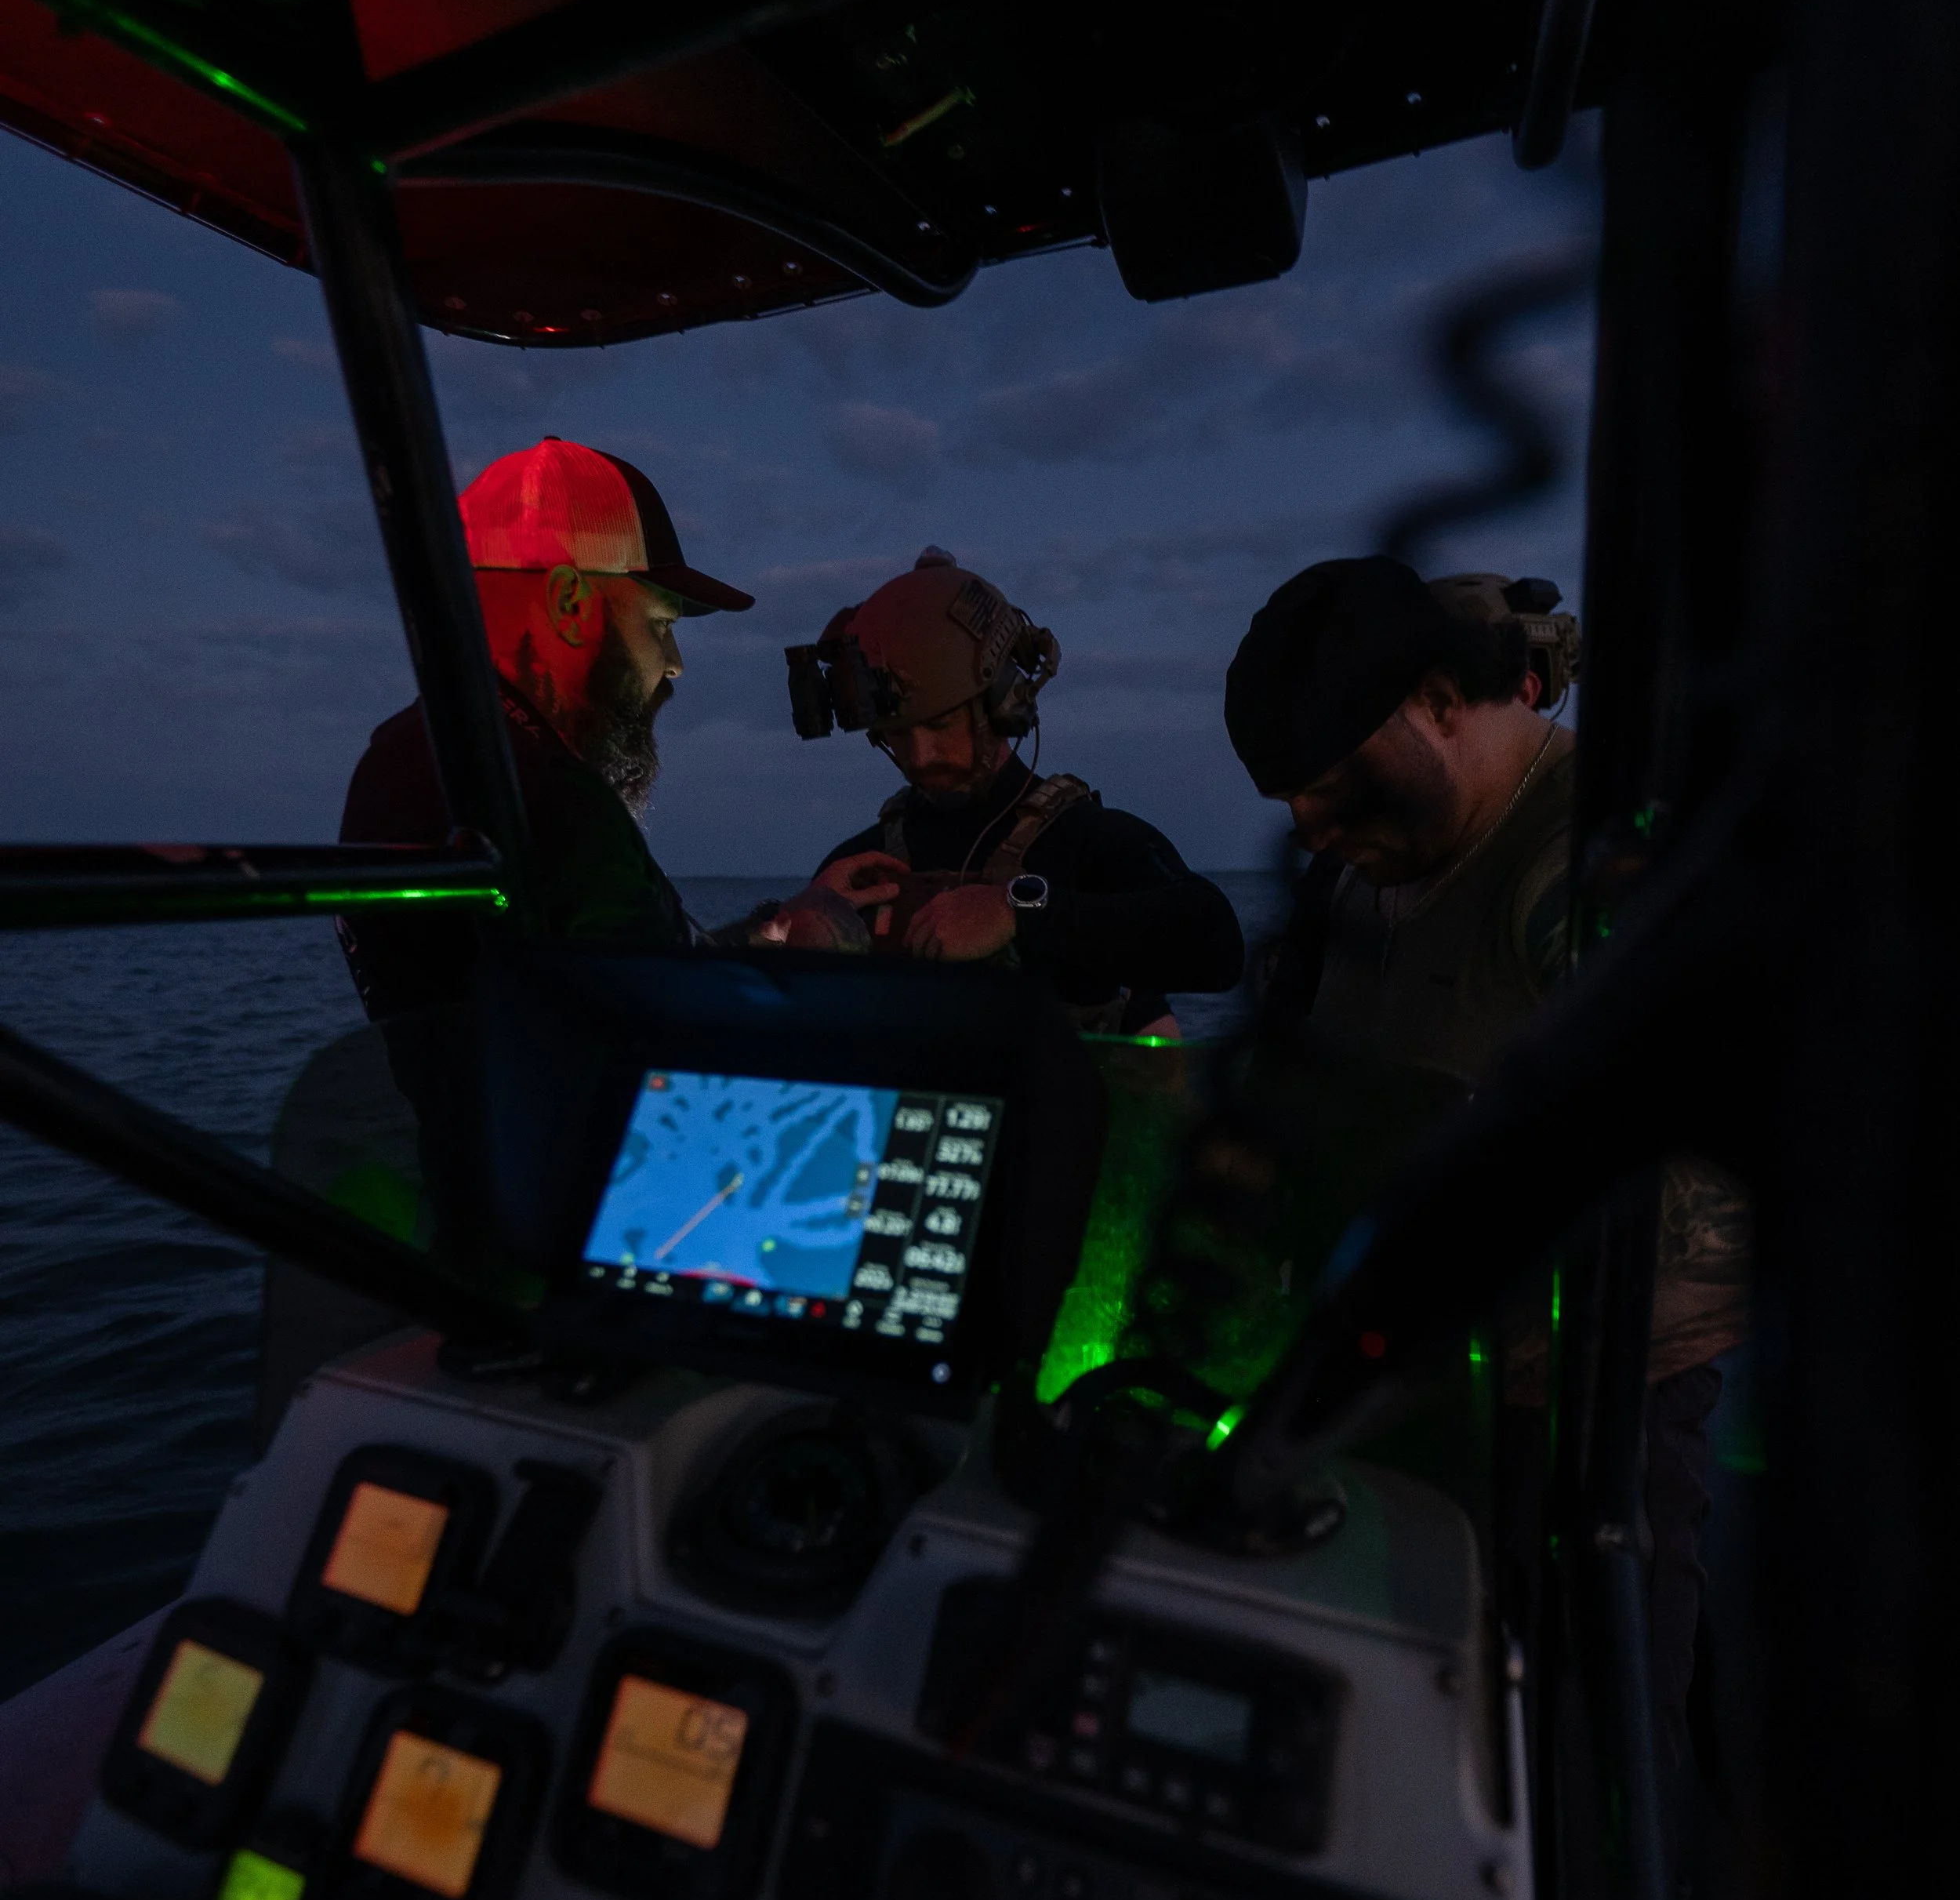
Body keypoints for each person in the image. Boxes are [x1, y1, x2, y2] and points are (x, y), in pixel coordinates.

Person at [1225, 552, 1749, 1764]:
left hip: (1580, 1416)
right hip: (1398, 1388)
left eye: (1338, 784)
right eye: (1296, 800)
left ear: (1441, 704)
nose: (1314, 827)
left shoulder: (1587, 864)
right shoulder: (1363, 862)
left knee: (1584, 1748)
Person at [339, 435, 804, 1261]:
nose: (674, 666)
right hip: (582, 1254)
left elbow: (628, 971)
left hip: (462, 1244)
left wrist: (770, 932)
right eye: (660, 623)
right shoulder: (546, 796)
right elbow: (685, 1043)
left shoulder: (395, 760)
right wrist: (825, 943)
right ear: (566, 600)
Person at [784, 549, 1243, 1031]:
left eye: (940, 724)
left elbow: (1215, 944)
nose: (920, 756)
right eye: (897, 733)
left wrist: (1017, 912)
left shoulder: (1086, 842)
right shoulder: (856, 869)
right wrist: (787, 938)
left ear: (1003, 702)